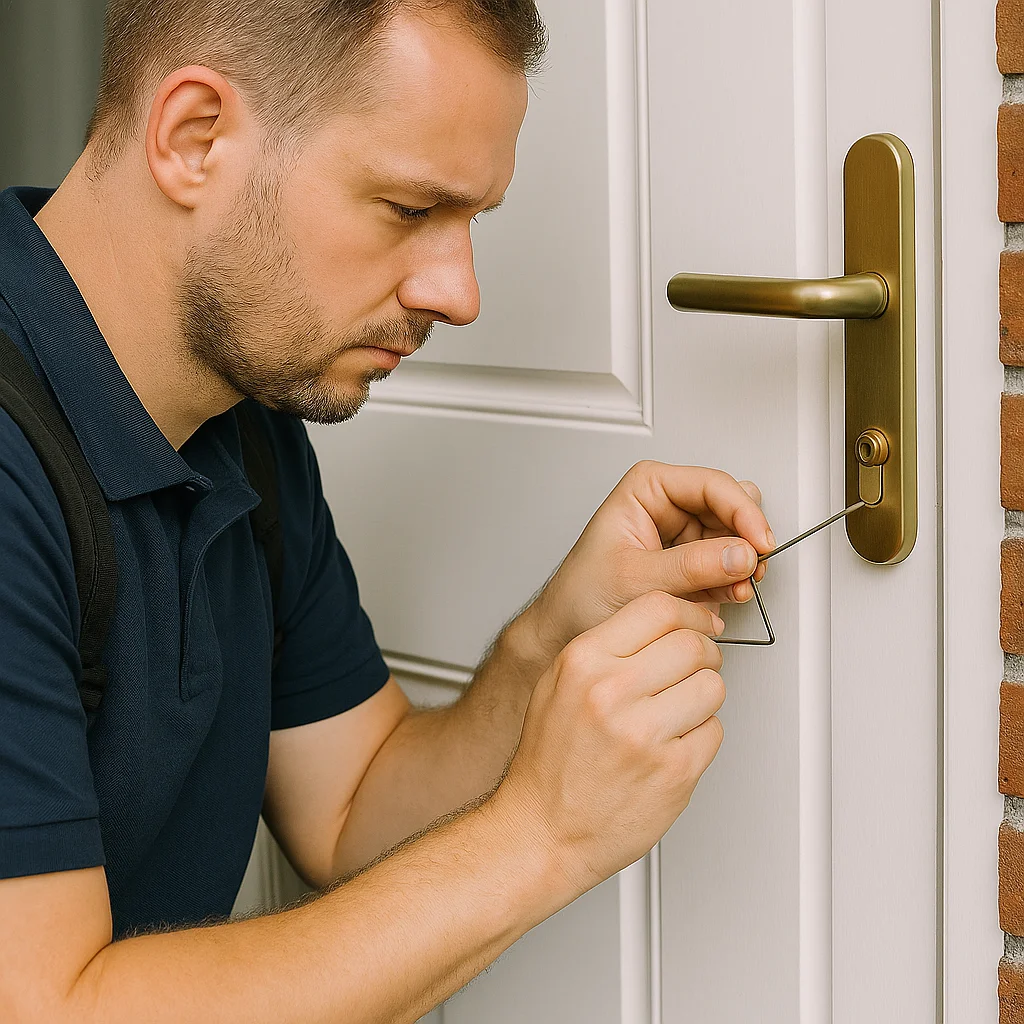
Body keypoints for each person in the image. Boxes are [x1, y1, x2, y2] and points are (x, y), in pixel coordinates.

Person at [0, 2, 776, 1021]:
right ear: (195, 139)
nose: (459, 293)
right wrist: (543, 834)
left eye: (470, 223)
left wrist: (555, 634)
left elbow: (353, 803)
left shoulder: (244, 413)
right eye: (410, 209)